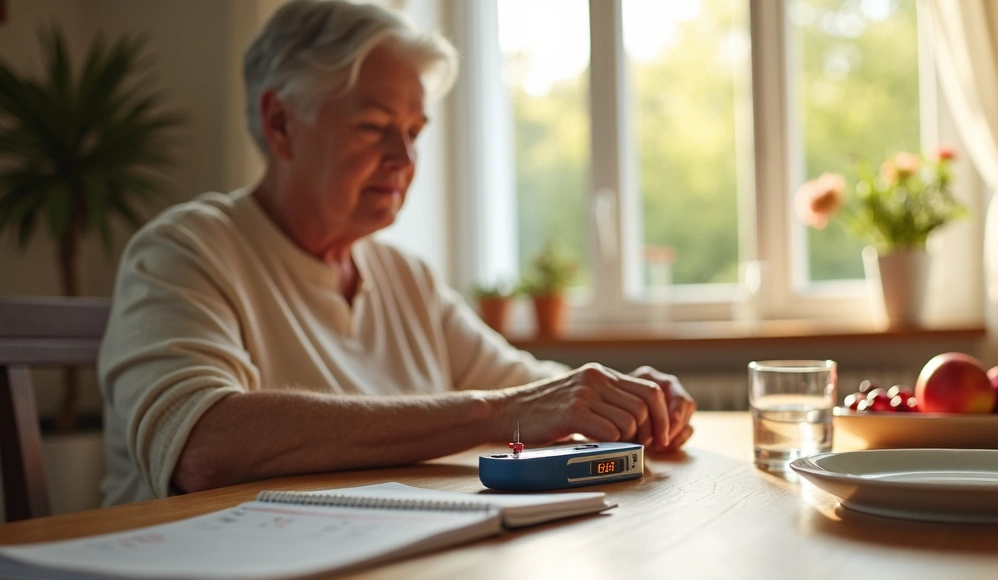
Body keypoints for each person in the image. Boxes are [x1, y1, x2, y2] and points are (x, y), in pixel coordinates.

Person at [97, 0, 695, 506]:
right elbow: (202, 443)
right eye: (373, 126)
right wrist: (496, 414)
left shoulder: (406, 277)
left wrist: (620, 401)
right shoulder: (183, 251)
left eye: (414, 131)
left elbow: (532, 394)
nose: (406, 160)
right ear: (280, 124)